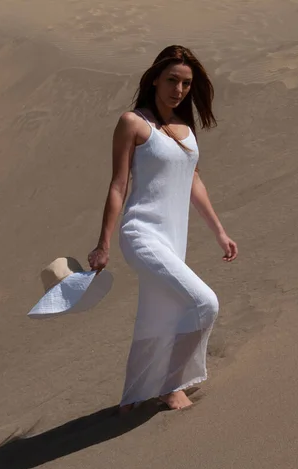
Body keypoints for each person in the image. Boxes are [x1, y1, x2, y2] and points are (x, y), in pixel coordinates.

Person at [88, 45, 238, 413]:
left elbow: (193, 183)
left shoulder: (186, 131)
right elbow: (118, 187)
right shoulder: (133, 123)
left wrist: (219, 231)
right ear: (155, 78)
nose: (179, 89)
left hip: (174, 238)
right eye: (172, 80)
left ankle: (133, 397)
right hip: (141, 233)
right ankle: (172, 386)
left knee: (159, 313)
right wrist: (103, 244)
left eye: (186, 83)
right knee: (205, 302)